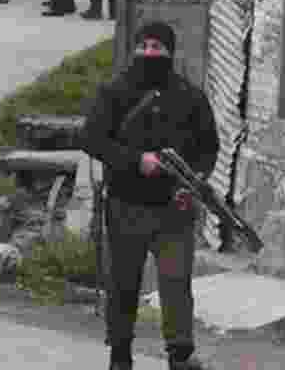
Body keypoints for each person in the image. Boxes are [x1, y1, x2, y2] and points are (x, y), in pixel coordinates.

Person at [81, 22, 219, 370]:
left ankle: (180, 355)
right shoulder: (114, 92)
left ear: (170, 52)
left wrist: (195, 181)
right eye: (145, 46)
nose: (150, 53)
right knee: (123, 284)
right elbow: (93, 140)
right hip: (126, 205)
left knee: (176, 285)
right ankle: (120, 353)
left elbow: (208, 147)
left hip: (175, 208)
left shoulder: (190, 96)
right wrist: (135, 161)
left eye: (158, 47)